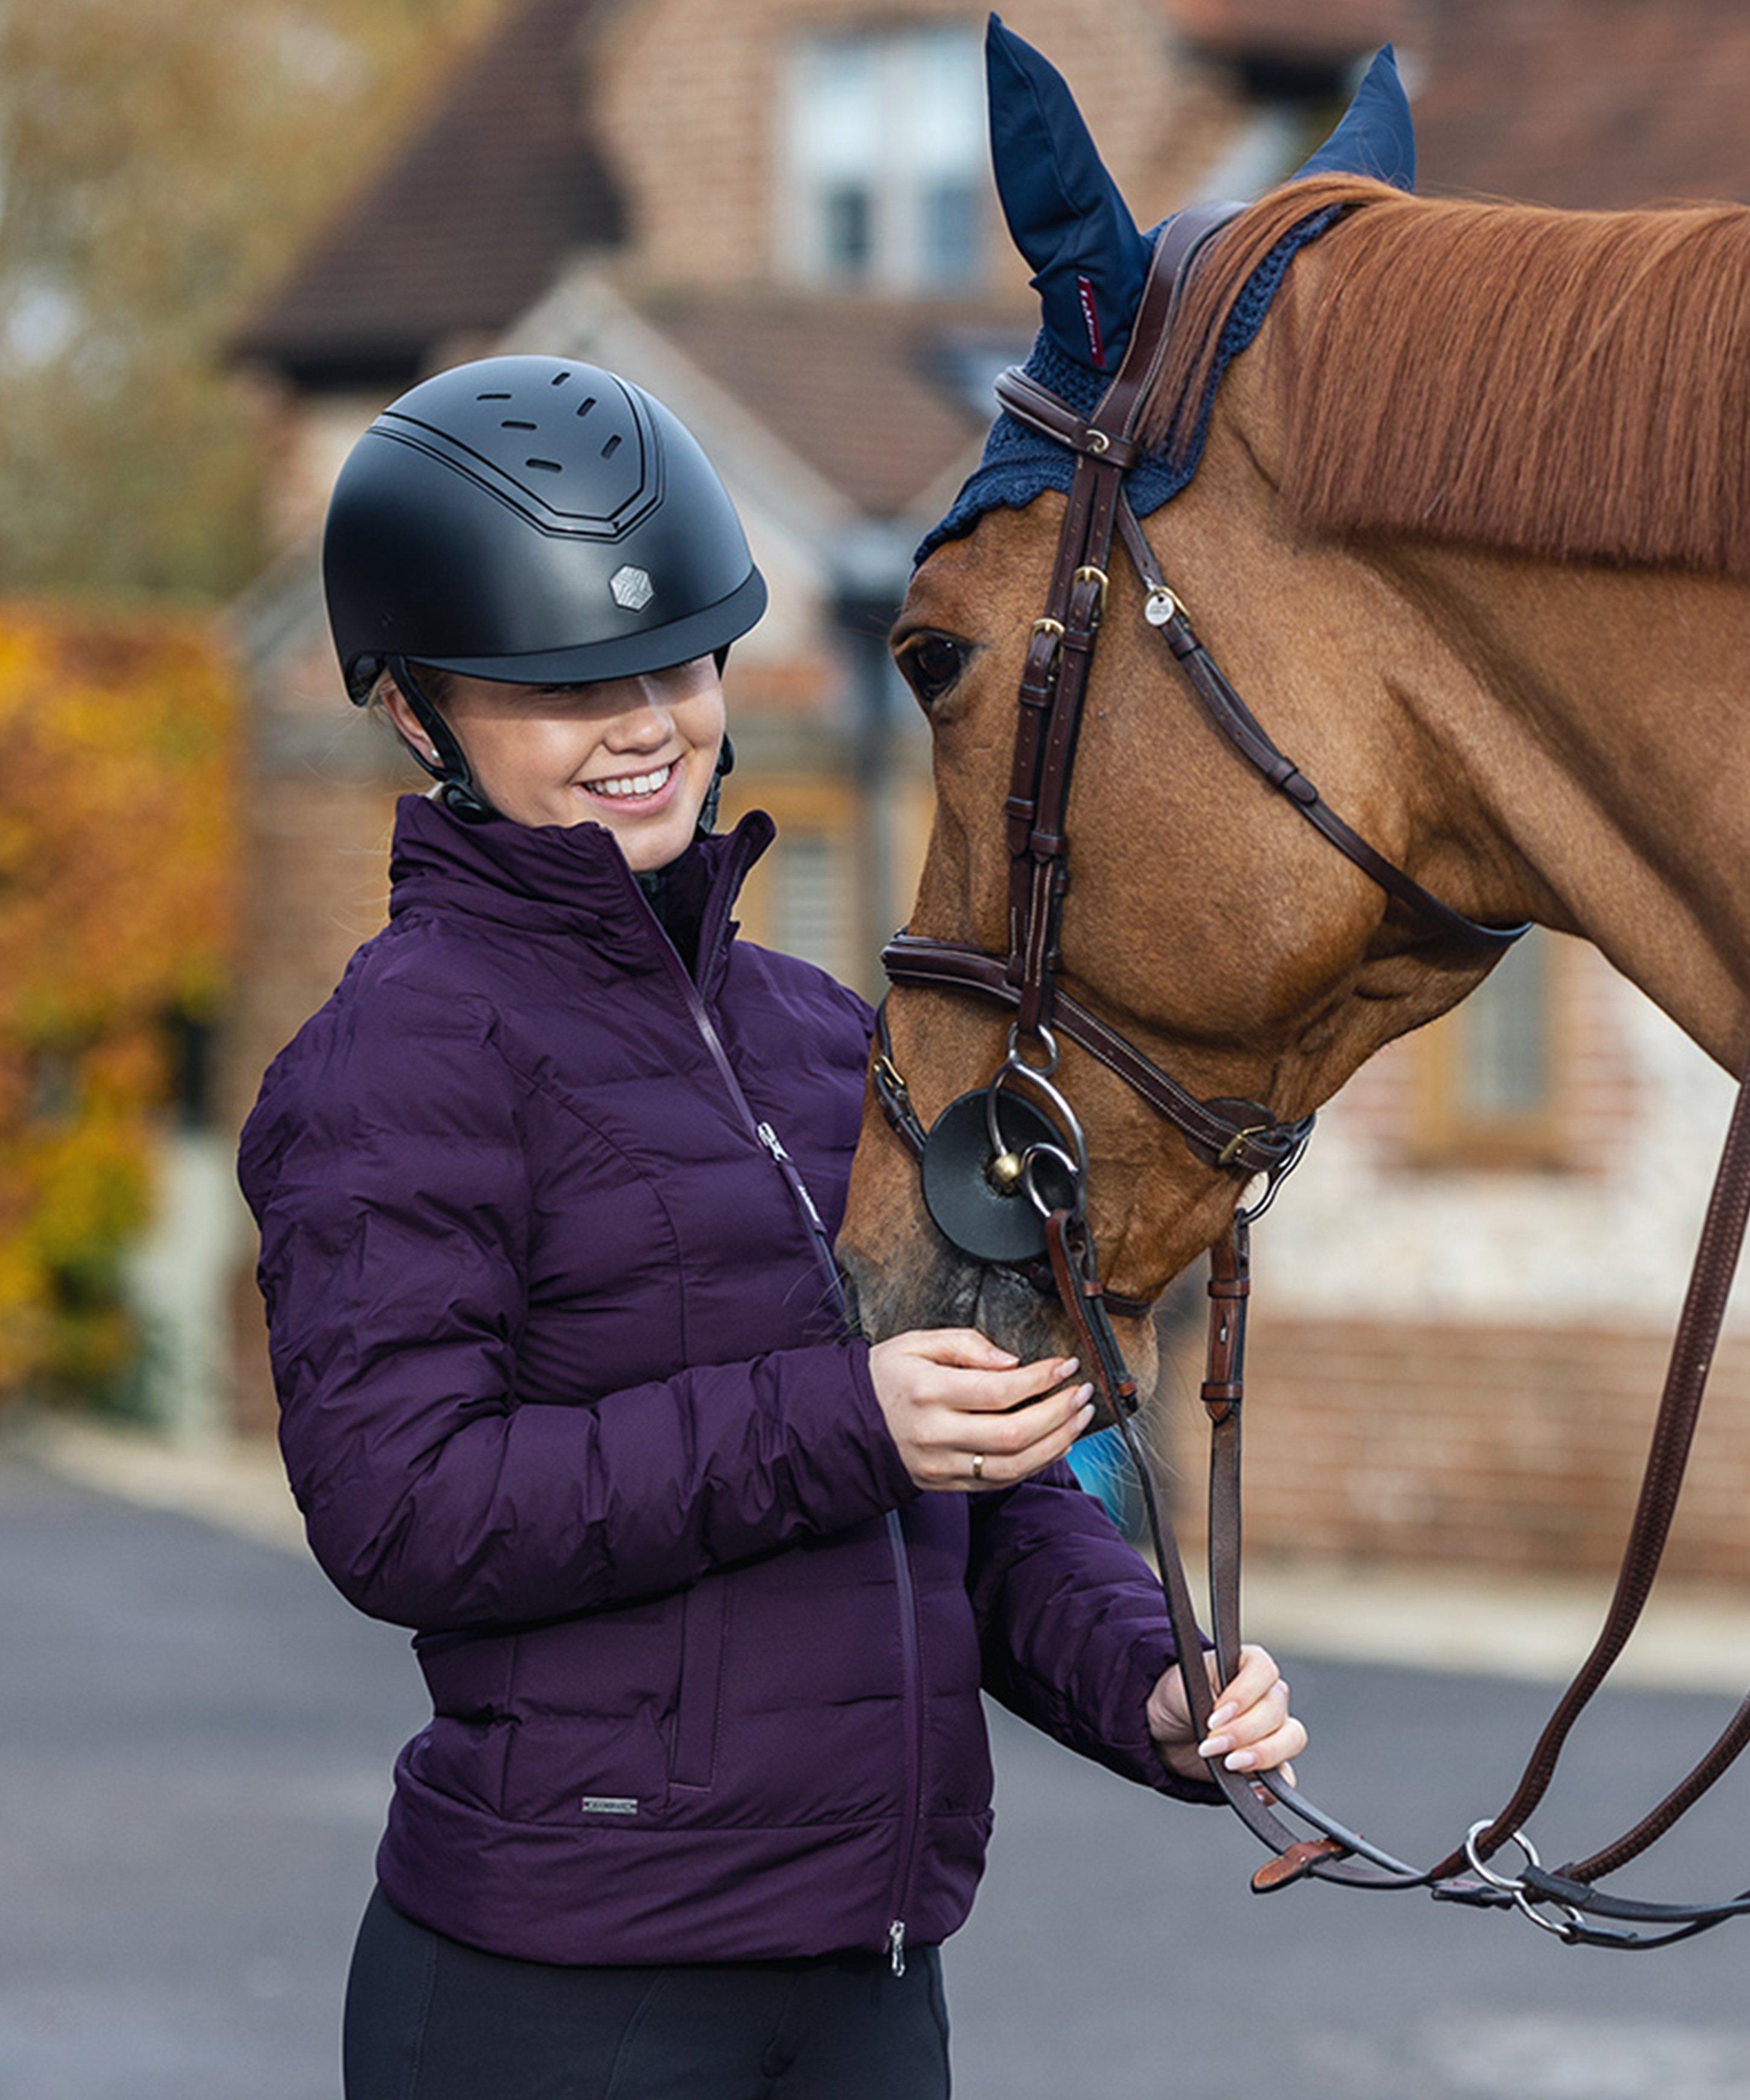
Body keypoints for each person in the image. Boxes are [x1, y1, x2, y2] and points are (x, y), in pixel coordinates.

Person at [236, 355, 1305, 2100]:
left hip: (867, 1978)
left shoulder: (823, 1035)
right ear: (417, 710)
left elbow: (975, 1469)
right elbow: (402, 1511)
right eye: (562, 684)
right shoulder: (395, 1060)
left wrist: (1152, 1689)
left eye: (676, 661)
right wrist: (844, 1420)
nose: (646, 720)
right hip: (563, 1998)